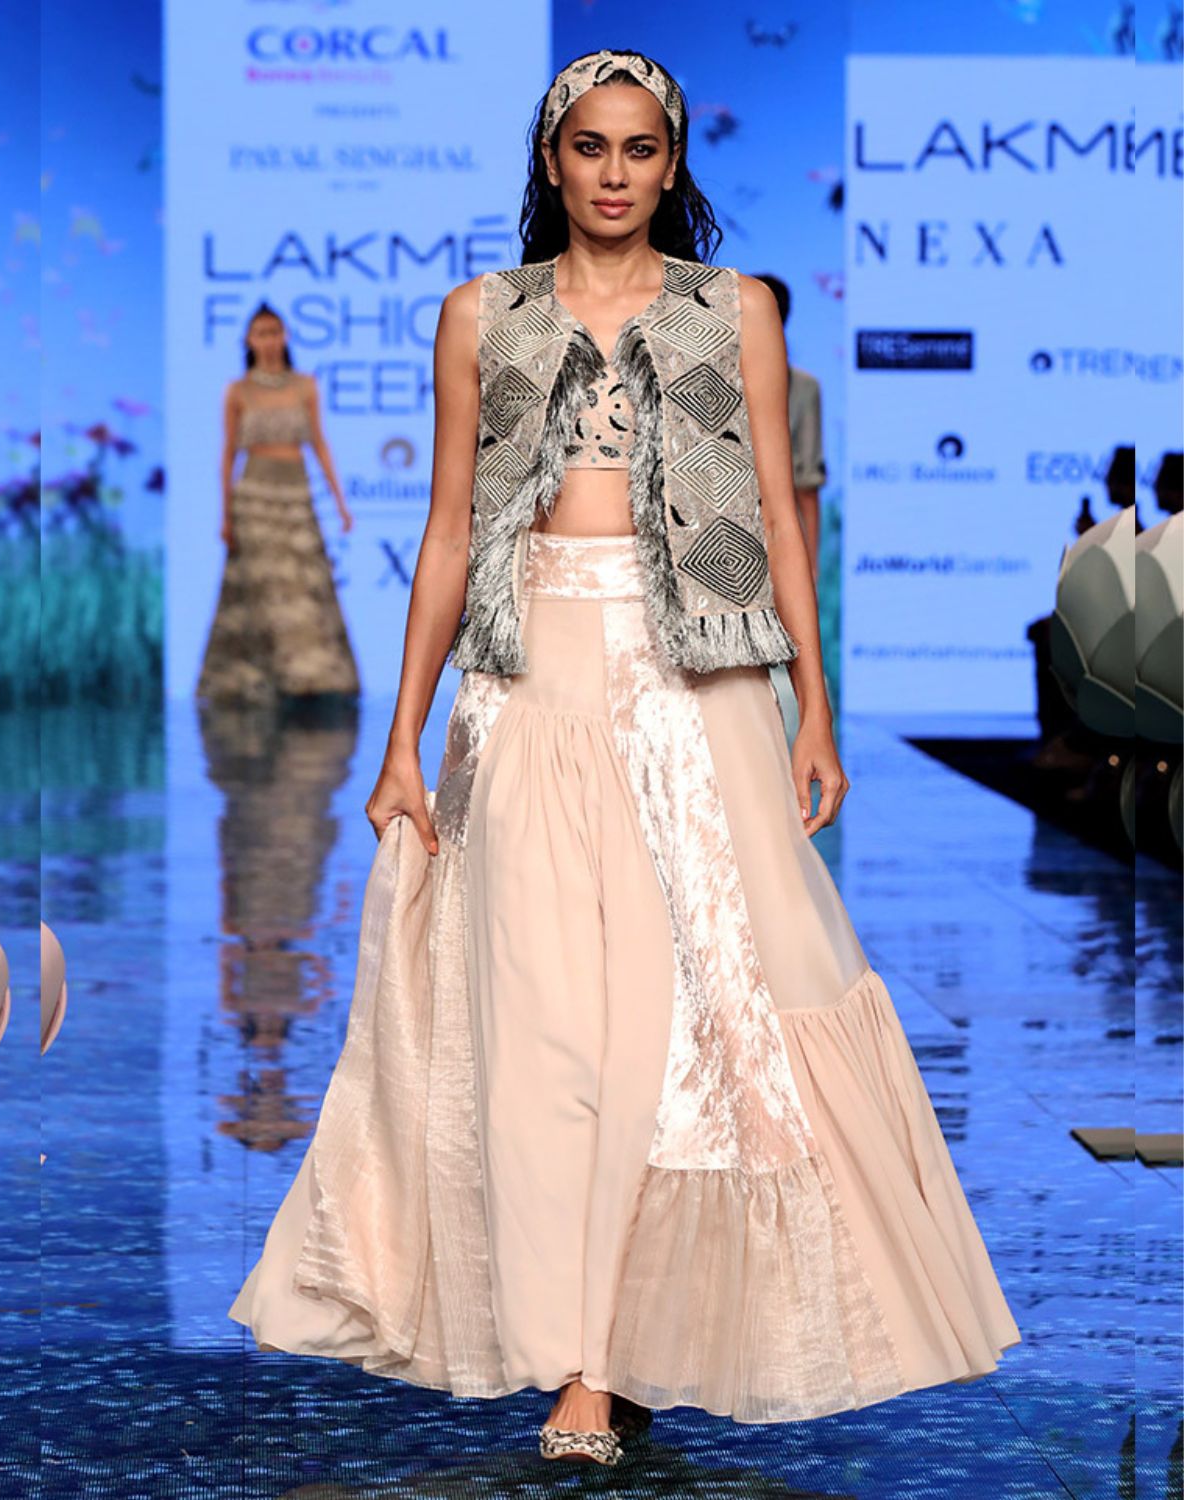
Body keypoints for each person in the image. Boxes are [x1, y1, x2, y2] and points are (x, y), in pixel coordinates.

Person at [229, 48, 1020, 1468]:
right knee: (541, 1029)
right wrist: (401, 739)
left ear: (671, 164)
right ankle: (581, 1352)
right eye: (589, 146)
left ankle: (606, 1360)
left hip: (693, 690)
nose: (613, 172)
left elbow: (776, 516)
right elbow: (450, 531)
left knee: (682, 1026)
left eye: (639, 149)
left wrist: (817, 709)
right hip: (525, 681)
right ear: (553, 161)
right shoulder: (482, 314)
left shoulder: (732, 310)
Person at [196, 303, 360, 705]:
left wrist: (340, 503)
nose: (269, 340)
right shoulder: (238, 391)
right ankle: (263, 681)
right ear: (249, 341)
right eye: (261, 333)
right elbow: (227, 454)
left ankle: (310, 680)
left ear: (284, 337)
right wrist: (224, 514)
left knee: (303, 586)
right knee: (262, 589)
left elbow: (319, 443)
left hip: (296, 494)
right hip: (254, 498)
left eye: (274, 331)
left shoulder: (305, 386)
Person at [754, 273, 827, 582]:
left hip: (778, 541)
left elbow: (807, 484)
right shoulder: (711, 382)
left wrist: (810, 566)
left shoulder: (804, 388)